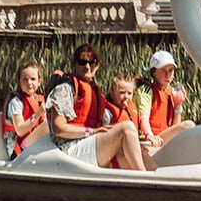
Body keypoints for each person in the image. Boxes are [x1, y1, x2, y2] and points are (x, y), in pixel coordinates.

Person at [45, 43, 149, 171]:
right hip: (68, 149)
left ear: (97, 65)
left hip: (88, 145)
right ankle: (145, 180)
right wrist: (92, 131)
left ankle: (161, 184)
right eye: (82, 62)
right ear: (74, 65)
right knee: (127, 127)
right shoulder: (65, 89)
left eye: (92, 62)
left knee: (140, 155)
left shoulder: (95, 91)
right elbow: (58, 129)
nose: (87, 67)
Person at [133, 49, 195, 150]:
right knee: (188, 125)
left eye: (170, 70)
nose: (168, 75)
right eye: (163, 70)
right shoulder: (146, 90)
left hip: (162, 140)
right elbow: (143, 118)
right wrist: (150, 135)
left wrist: (178, 107)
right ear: (153, 72)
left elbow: (175, 128)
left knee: (188, 129)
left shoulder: (171, 92)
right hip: (149, 140)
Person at [2, 60, 48, 159]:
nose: (29, 83)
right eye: (25, 79)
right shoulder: (16, 102)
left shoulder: (39, 100)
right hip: (19, 148)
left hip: (35, 143)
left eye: (33, 79)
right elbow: (20, 130)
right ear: (19, 82)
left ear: (39, 82)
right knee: (49, 125)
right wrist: (38, 114)